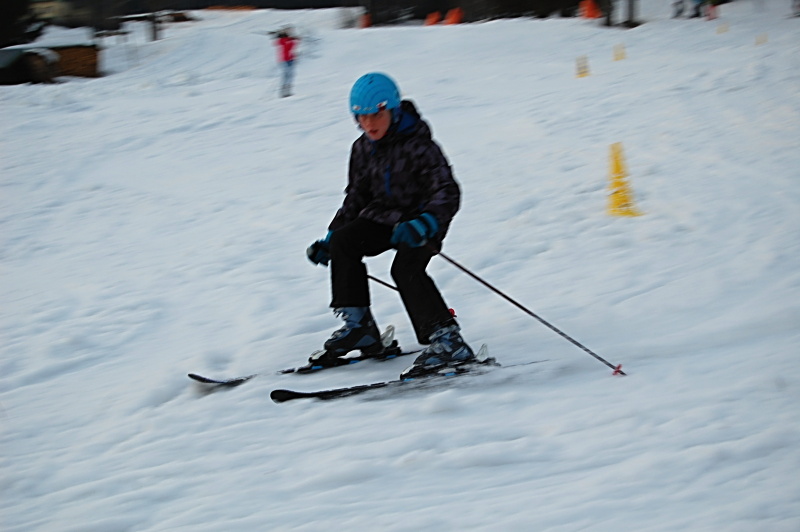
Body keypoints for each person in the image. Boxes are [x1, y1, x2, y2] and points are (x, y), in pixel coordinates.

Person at [306, 72, 476, 379]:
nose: (369, 123)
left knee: (405, 269)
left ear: (393, 111)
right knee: (345, 241)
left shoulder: (421, 147)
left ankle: (448, 339)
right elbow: (356, 197)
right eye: (362, 117)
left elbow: (448, 192)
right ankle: (360, 328)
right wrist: (331, 237)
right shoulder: (362, 148)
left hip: (420, 223)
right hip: (382, 218)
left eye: (377, 115)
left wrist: (425, 222)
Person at [273, 28, 298, 97]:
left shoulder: (289, 41)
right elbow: (279, 42)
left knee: (290, 75)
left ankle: (288, 91)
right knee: (286, 76)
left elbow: (293, 45)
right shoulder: (282, 41)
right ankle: (283, 92)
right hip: (284, 60)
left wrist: (292, 39)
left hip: (290, 60)